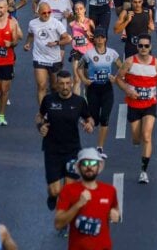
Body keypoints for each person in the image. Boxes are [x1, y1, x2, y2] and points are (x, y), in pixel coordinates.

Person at [37, 70, 95, 211]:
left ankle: (64, 223)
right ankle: (52, 196)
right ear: (57, 84)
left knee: (68, 191)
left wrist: (89, 125)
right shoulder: (49, 100)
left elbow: (89, 118)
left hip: (72, 150)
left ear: (72, 83)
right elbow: (39, 116)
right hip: (52, 150)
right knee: (55, 191)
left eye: (68, 83)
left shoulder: (79, 102)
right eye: (61, 83)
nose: (65, 87)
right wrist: (40, 126)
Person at [114, 33, 157, 184]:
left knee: (147, 136)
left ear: (150, 47)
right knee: (136, 138)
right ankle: (136, 140)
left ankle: (143, 171)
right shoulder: (130, 62)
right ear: (137, 47)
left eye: (146, 46)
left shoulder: (156, 63)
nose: (143, 48)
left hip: (150, 104)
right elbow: (118, 78)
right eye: (141, 46)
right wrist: (127, 89)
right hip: (134, 104)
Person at [55, 147, 121, 247]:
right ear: (79, 167)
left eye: (93, 164)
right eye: (85, 164)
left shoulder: (110, 191)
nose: (89, 167)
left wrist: (116, 216)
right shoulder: (68, 190)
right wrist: (78, 205)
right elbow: (58, 224)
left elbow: (116, 214)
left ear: (99, 166)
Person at [76, 32, 121, 157]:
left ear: (106, 39)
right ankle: (85, 119)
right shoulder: (89, 54)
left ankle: (100, 148)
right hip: (93, 89)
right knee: (94, 121)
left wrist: (116, 78)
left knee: (104, 118)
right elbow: (79, 68)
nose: (100, 40)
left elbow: (122, 67)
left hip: (107, 89)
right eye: (97, 37)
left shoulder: (112, 53)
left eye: (102, 37)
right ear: (94, 39)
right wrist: (84, 80)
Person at [25, 1, 72, 105]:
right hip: (39, 58)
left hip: (54, 59)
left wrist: (57, 43)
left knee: (55, 87)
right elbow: (30, 35)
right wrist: (28, 43)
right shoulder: (33, 23)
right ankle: (42, 113)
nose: (47, 15)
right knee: (41, 86)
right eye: (44, 13)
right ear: (38, 13)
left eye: (49, 12)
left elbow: (68, 39)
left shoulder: (56, 23)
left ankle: (55, 107)